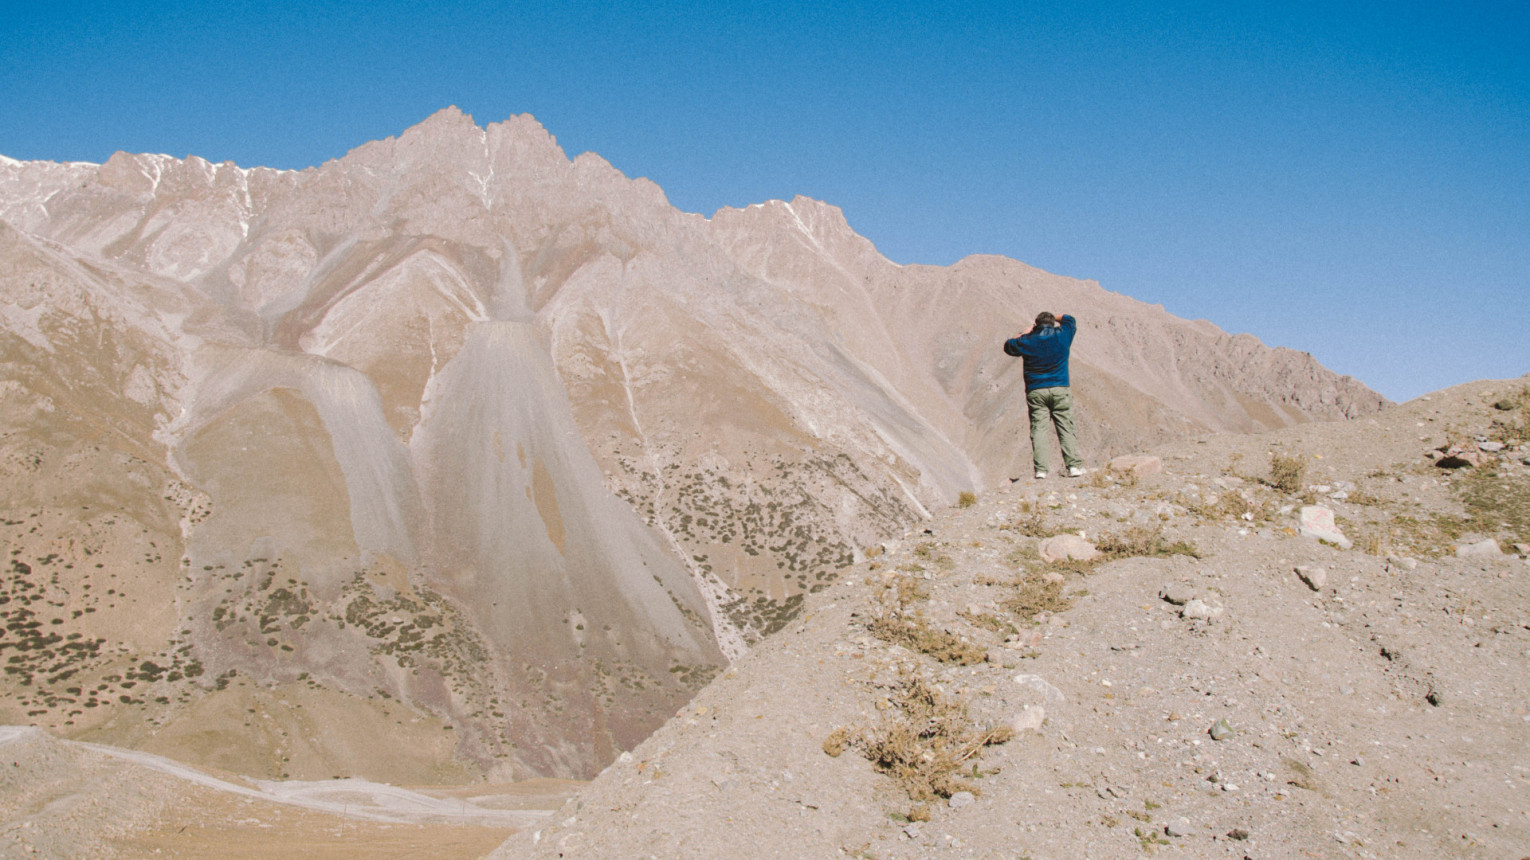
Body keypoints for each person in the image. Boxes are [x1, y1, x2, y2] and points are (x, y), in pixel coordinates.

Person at [1003, 312, 1084, 479]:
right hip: (1060, 386)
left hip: (1036, 390)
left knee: (1039, 429)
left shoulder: (1027, 341)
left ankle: (1041, 470)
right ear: (1052, 323)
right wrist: (1056, 316)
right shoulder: (1063, 335)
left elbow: (1008, 346)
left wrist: (1024, 332)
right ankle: (1074, 466)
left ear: (1036, 324)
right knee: (1065, 426)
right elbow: (1070, 319)